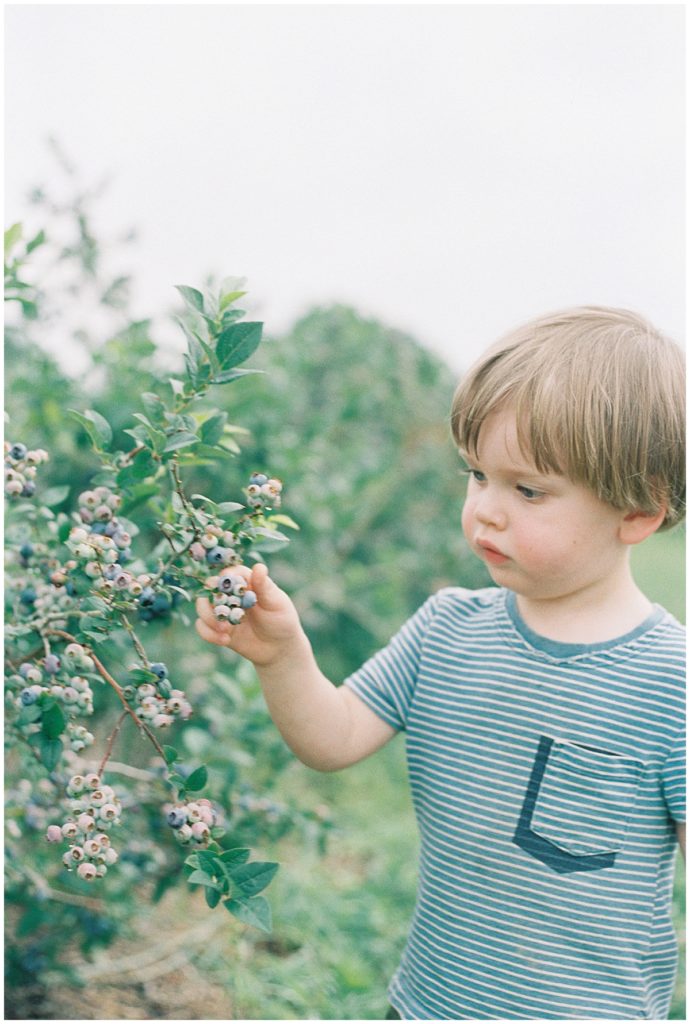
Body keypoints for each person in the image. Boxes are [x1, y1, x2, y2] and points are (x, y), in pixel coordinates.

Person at [196, 306, 686, 1021]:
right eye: (477, 474)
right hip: (427, 1004)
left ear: (638, 510)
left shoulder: (669, 683)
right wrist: (282, 657)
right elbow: (331, 740)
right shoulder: (446, 630)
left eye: (527, 490)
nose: (486, 509)